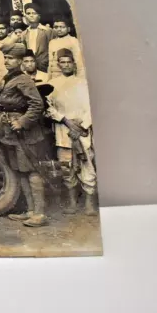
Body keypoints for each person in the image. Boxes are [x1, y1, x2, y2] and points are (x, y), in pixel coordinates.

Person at [0, 42, 49, 227]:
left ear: (20, 61)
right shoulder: (8, 78)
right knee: (20, 170)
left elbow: (37, 104)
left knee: (32, 170)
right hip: (10, 132)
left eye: (11, 58)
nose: (6, 61)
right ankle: (29, 211)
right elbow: (7, 103)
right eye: (5, 58)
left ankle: (40, 214)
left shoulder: (24, 80)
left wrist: (23, 122)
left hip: (24, 133)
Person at [46, 48, 97, 216]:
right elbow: (49, 108)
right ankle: (73, 202)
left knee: (87, 165)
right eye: (63, 62)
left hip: (82, 131)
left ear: (74, 64)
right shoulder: (52, 83)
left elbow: (91, 107)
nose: (66, 65)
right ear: (59, 65)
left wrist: (81, 126)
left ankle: (89, 204)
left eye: (69, 62)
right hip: (62, 130)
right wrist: (65, 120)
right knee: (67, 168)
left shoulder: (83, 83)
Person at [19, 3, 51, 72]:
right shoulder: (24, 33)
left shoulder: (47, 31)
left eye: (34, 13)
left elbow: (52, 49)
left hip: (45, 66)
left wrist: (46, 61)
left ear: (39, 15)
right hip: (29, 66)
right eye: (28, 13)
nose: (31, 15)